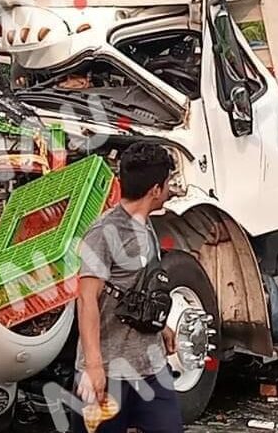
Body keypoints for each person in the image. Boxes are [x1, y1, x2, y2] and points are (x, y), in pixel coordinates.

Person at [73, 142, 184, 433]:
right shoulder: (103, 233)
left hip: (151, 368)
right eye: (168, 183)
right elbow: (86, 299)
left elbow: (137, 287)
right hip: (110, 372)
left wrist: (160, 326)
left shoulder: (145, 224)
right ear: (155, 190)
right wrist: (94, 366)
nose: (171, 189)